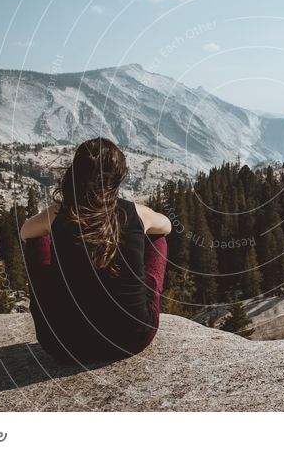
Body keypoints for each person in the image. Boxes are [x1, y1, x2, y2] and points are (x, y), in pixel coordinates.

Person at [19, 137, 171, 363]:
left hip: (63, 345)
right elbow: (166, 226)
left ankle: (59, 310)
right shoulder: (135, 212)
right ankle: (140, 297)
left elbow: (24, 233)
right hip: (132, 339)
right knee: (157, 238)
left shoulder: (59, 213)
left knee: (36, 239)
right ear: (119, 176)